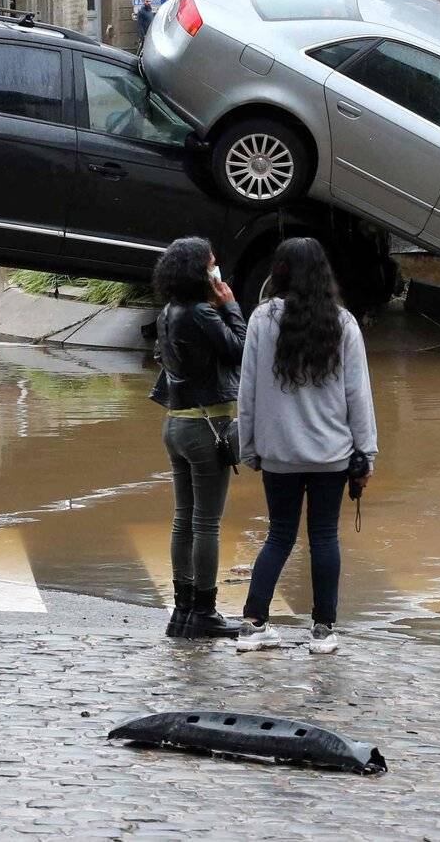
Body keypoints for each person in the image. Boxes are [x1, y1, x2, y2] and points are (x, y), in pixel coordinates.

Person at [235, 238, 377, 656]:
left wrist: (248, 447)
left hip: (278, 453)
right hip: (331, 455)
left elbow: (248, 391)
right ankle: (322, 630)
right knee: (323, 537)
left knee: (278, 535)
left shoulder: (262, 320)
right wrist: (366, 454)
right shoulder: (343, 323)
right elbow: (359, 396)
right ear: (323, 272)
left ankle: (253, 625)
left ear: (278, 272)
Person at [150, 237, 247, 640]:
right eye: (211, 265)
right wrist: (232, 306)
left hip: (177, 424)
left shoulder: (169, 313)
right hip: (208, 427)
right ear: (198, 271)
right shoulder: (203, 314)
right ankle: (204, 612)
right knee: (206, 523)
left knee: (183, 520)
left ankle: (183, 610)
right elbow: (242, 349)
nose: (216, 271)